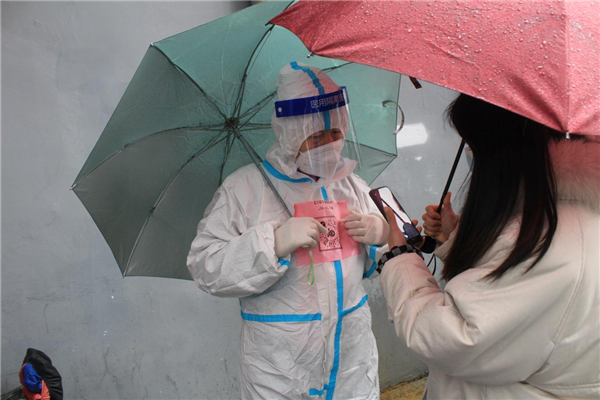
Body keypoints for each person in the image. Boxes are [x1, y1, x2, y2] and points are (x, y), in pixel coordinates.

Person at [187, 62, 389, 400]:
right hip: (280, 368)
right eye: (316, 137)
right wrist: (272, 243)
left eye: (335, 133)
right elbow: (205, 266)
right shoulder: (245, 190)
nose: (329, 145)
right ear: (291, 133)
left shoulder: (350, 186)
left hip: (351, 359)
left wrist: (382, 236)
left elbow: (383, 261)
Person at [377, 93, 600, 399]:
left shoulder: (548, 245)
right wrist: (456, 238)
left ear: (503, 151)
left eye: (474, 145)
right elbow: (501, 291)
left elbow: (452, 339)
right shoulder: (551, 217)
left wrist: (400, 258)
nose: (470, 155)